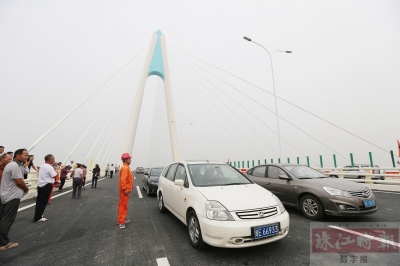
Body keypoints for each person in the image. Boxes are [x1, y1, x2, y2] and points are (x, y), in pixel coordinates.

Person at [0, 149, 30, 251]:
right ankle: (3, 243)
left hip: (5, 194)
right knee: (7, 219)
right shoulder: (15, 166)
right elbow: (19, 181)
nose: (27, 157)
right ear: (18, 155)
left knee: (2, 218)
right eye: (25, 155)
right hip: (12, 196)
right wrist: (26, 188)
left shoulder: (10, 165)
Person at [33, 154, 57, 222]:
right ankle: (38, 217)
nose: (54, 160)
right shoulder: (49, 167)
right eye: (53, 159)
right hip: (46, 185)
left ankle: (38, 214)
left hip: (40, 185)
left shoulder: (42, 166)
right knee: (43, 202)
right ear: (50, 159)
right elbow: (54, 175)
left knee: (39, 201)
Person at [118, 153, 134, 229]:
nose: (130, 160)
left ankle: (122, 219)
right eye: (129, 158)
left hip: (126, 189)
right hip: (125, 190)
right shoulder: (125, 168)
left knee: (123, 205)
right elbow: (123, 180)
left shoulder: (127, 167)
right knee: (123, 205)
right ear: (126, 159)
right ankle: (121, 221)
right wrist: (125, 189)